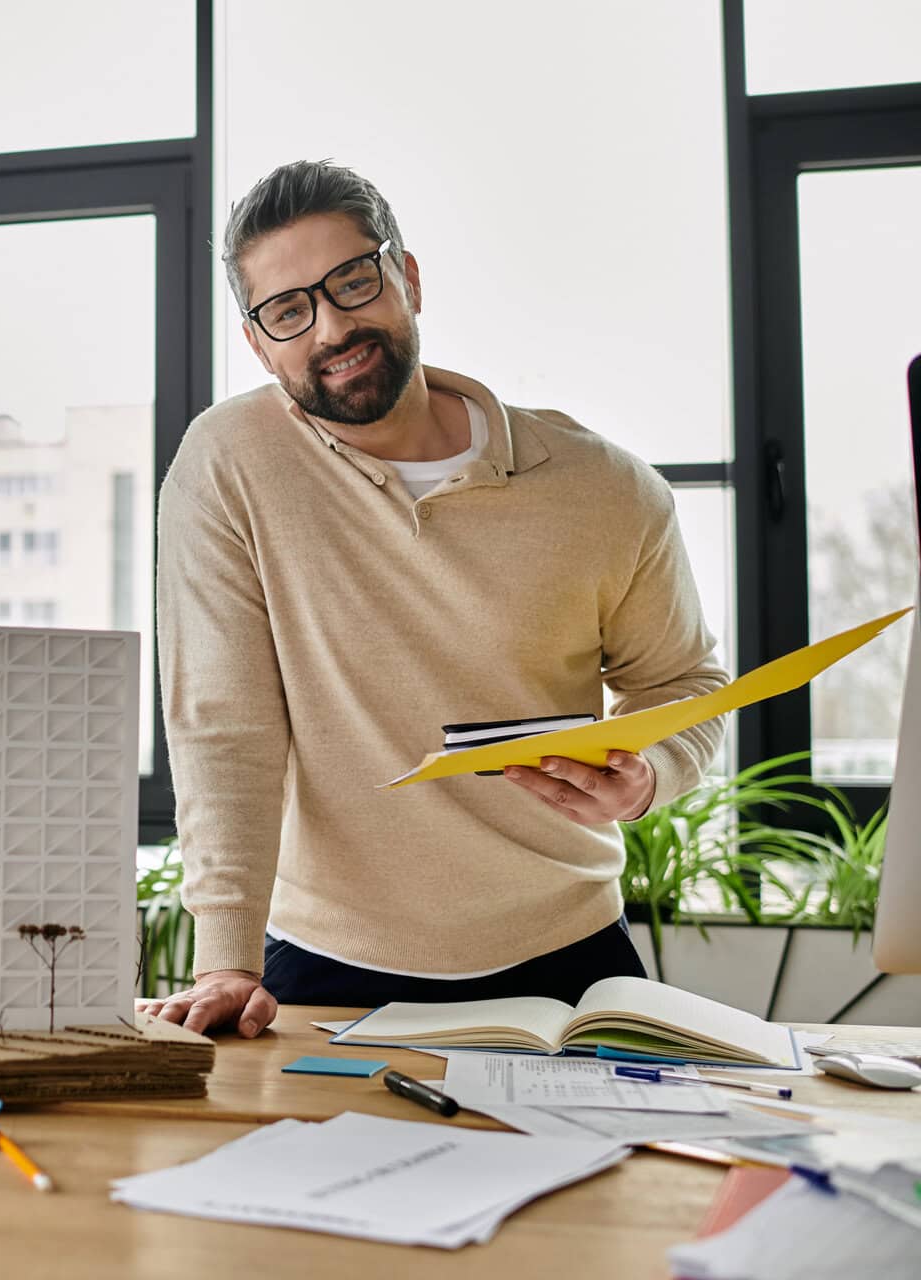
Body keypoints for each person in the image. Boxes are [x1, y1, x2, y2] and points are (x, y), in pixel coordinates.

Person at [144, 160, 729, 1038]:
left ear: (407, 278)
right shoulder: (230, 463)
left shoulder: (605, 488)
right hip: (320, 960)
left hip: (569, 949)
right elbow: (223, 723)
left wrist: (650, 778)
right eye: (288, 310)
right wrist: (226, 957)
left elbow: (687, 686)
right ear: (259, 342)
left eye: (352, 281)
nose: (332, 326)